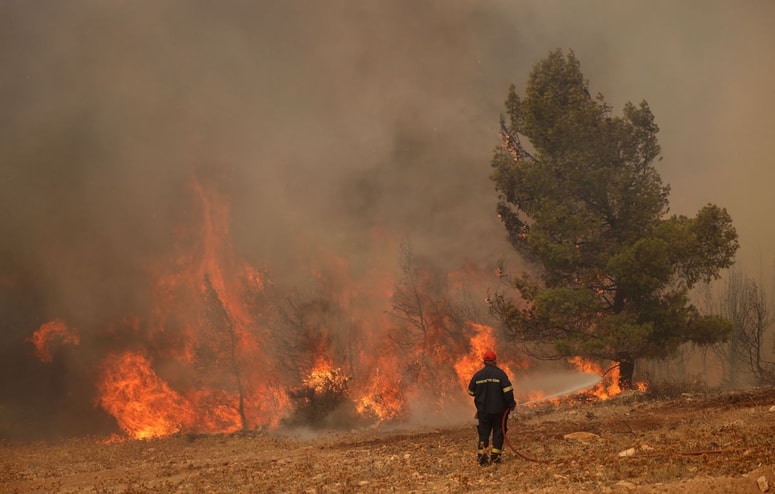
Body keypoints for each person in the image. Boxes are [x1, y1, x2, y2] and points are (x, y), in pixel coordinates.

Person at [467, 350, 517, 465]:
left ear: (484, 361)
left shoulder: (478, 375)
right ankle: (495, 458)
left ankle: (482, 458)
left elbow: (470, 391)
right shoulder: (500, 374)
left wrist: (481, 392)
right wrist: (511, 404)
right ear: (495, 361)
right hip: (499, 411)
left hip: (483, 412)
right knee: (498, 433)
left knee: (483, 434)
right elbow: (508, 391)